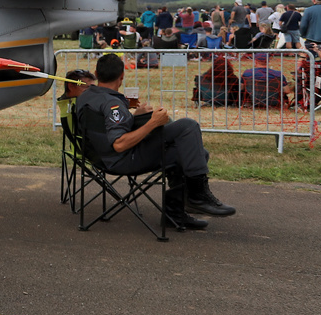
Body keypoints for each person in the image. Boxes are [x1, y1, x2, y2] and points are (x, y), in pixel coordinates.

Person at [74, 53, 234, 230]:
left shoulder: (86, 96)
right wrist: (152, 123)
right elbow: (119, 144)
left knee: (194, 153)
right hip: (121, 159)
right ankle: (196, 197)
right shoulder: (112, 103)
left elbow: (106, 129)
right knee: (187, 127)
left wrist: (136, 117)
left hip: (100, 156)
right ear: (122, 76)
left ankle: (175, 213)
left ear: (97, 73)